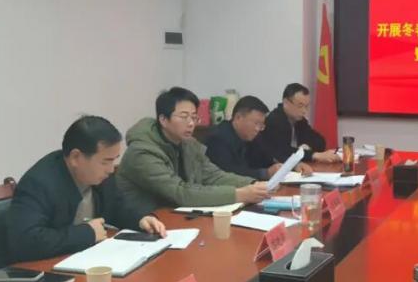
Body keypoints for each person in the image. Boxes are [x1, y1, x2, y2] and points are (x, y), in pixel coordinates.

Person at [7, 116, 165, 262]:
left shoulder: (100, 175)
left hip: (87, 260)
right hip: (46, 269)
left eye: (114, 160)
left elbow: (117, 207)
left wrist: (140, 219)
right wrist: (87, 233)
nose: (111, 169)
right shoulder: (39, 183)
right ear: (76, 158)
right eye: (105, 162)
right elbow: (26, 241)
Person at [117, 87, 269, 213]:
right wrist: (239, 194)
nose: (191, 123)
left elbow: (213, 176)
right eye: (184, 117)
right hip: (142, 222)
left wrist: (253, 184)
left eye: (194, 117)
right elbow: (180, 193)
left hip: (175, 216)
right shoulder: (142, 152)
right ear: (163, 119)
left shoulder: (188, 144)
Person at [205, 95, 313, 181]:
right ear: (238, 117)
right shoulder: (218, 138)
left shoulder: (252, 136)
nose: (258, 129)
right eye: (256, 123)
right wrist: (265, 173)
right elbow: (229, 173)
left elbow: (271, 155)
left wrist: (293, 166)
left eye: (261, 125)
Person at [260, 83, 340, 163]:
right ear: (286, 103)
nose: (304, 111)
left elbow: (320, 141)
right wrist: (314, 155)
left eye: (306, 106)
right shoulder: (274, 120)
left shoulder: (300, 121)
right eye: (300, 106)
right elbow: (283, 151)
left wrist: (307, 147)